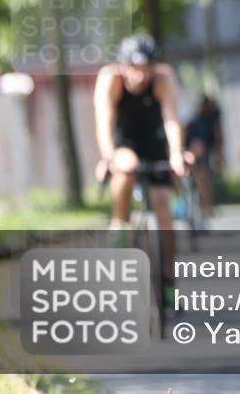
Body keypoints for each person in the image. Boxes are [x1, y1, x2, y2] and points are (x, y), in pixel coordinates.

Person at [94, 34, 188, 306]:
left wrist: (176, 155)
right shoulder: (110, 79)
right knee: (127, 168)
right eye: (135, 68)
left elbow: (171, 119)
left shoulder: (163, 78)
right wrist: (109, 157)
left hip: (155, 143)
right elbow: (104, 122)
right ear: (123, 66)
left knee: (163, 210)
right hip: (125, 145)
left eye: (146, 67)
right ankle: (120, 226)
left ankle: (168, 279)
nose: (141, 75)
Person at [182, 94, 223, 225]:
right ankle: (192, 206)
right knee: (200, 179)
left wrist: (218, 153)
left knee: (204, 180)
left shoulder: (213, 118)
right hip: (192, 151)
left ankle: (205, 208)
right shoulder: (195, 121)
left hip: (204, 152)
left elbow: (218, 137)